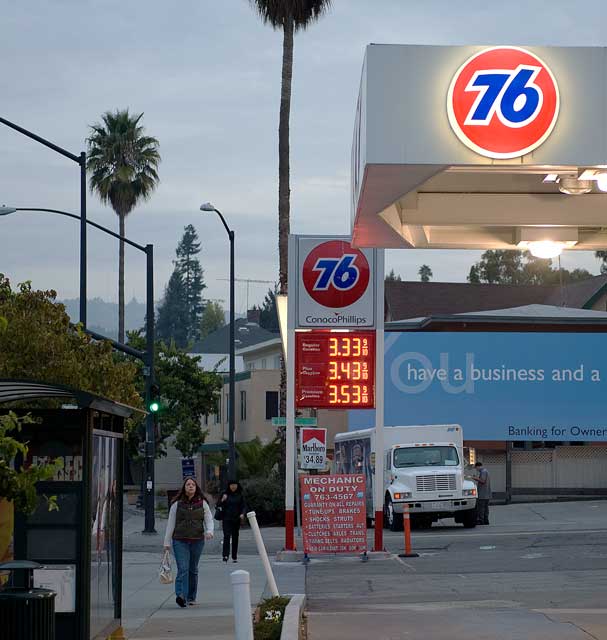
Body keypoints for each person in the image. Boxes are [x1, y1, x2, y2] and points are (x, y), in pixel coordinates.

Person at [164, 478, 214, 608]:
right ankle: (181, 595)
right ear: (184, 488)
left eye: (193, 484)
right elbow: (170, 523)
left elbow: (209, 519)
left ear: (196, 487)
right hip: (180, 541)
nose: (190, 486)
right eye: (188, 484)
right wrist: (166, 542)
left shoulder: (202, 503)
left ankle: (191, 596)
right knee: (183, 568)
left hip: (197, 541)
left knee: (193, 569)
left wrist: (210, 531)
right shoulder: (177, 504)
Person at [219, 480, 247, 563]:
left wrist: (242, 514)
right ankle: (225, 555)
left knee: (235, 537)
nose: (233, 487)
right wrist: (222, 500)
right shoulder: (224, 494)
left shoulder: (240, 494)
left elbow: (244, 506)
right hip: (226, 518)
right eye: (231, 485)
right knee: (226, 536)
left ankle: (234, 556)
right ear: (229, 486)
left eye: (235, 485)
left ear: (237, 485)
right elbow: (218, 505)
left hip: (236, 518)